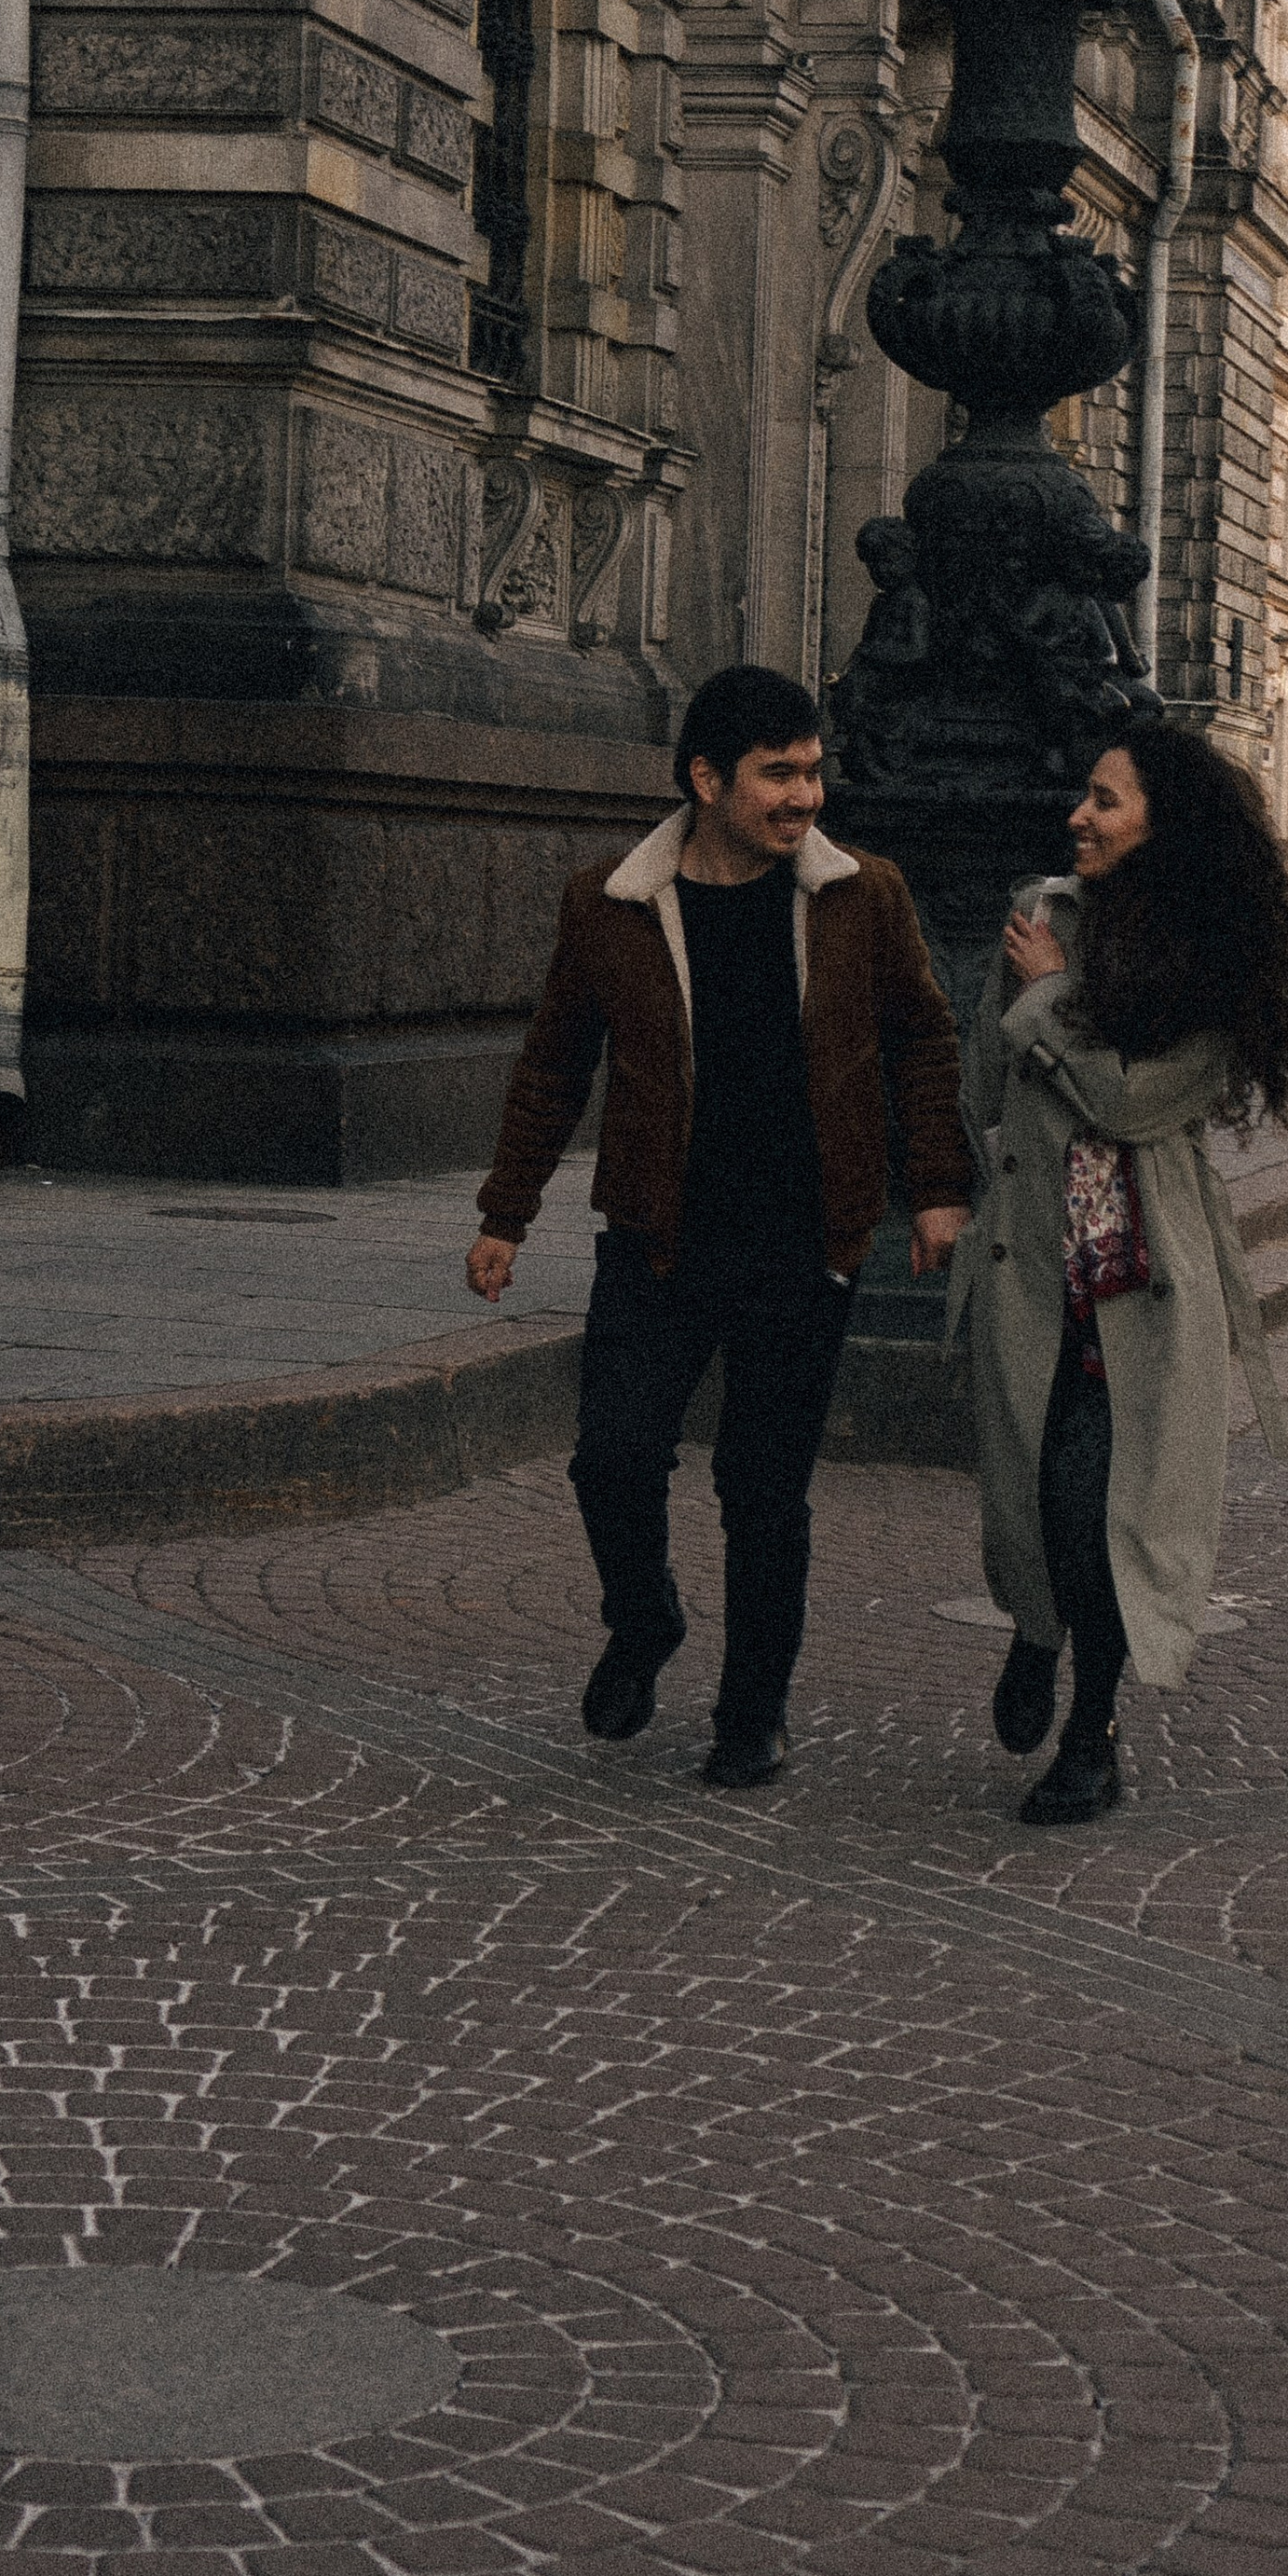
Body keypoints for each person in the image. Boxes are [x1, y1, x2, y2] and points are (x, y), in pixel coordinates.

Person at [468, 666, 971, 1790]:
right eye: (779, 774)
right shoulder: (614, 901)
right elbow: (555, 1062)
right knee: (613, 1454)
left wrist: (937, 1187)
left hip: (804, 1242)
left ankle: (754, 1713)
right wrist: (507, 1212)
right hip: (659, 1238)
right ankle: (644, 1623)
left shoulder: (863, 895)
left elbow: (923, 1042)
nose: (807, 797)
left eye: (813, 770)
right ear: (705, 779)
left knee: (762, 1488)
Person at [956, 720, 1288, 1827]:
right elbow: (991, 1074)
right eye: (1085, 794)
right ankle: (1033, 1629)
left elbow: (1130, 1102)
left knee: (1100, 1511)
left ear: (1167, 828)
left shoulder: (1218, 957)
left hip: (1136, 1285)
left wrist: (1052, 1002)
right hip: (1033, 1263)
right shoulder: (1039, 915)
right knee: (1026, 1494)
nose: (1081, 813)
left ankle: (1091, 1733)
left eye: (1107, 801)